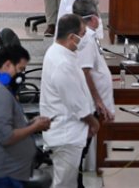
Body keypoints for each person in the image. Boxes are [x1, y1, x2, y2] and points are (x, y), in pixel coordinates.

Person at [0, 44, 51, 188]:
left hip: (5, 171)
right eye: (21, 69)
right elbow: (6, 137)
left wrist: (29, 124)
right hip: (1, 175)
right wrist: (35, 127)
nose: (22, 75)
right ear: (8, 64)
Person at [41, 14, 100, 188]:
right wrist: (93, 121)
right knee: (64, 184)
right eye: (82, 34)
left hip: (68, 130)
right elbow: (75, 103)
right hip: (66, 134)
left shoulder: (60, 52)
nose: (84, 38)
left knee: (68, 182)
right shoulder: (61, 63)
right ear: (71, 37)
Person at [72, 0, 114, 188]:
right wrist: (98, 100)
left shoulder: (88, 37)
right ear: (93, 18)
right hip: (91, 103)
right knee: (84, 146)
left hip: (93, 102)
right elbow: (85, 71)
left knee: (86, 145)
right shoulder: (87, 39)